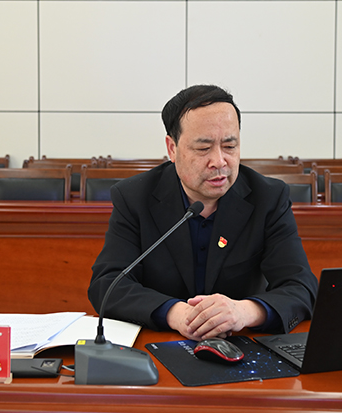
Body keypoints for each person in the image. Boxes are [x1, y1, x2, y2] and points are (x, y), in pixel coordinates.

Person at [88, 84, 317, 341]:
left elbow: (301, 287)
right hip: (160, 343)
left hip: (241, 346)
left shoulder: (268, 197)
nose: (219, 161)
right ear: (172, 149)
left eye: (229, 146)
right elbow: (108, 284)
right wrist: (176, 313)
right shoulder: (134, 197)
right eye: (203, 148)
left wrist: (243, 312)